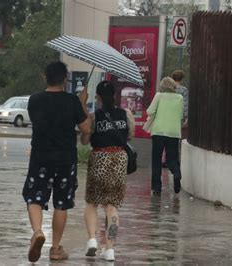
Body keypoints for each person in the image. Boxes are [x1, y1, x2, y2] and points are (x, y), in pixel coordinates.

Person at [22, 61, 91, 262]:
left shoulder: (34, 100)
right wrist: (82, 103)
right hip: (65, 159)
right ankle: (55, 248)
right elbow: (86, 129)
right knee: (61, 203)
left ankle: (37, 232)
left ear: (45, 77)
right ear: (65, 79)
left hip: (40, 157)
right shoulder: (72, 102)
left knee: (34, 197)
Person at [79, 81, 135, 261]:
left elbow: (84, 140)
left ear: (98, 98)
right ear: (115, 96)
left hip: (99, 159)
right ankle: (110, 249)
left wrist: (83, 108)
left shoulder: (94, 117)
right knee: (112, 207)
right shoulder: (126, 115)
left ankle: (93, 240)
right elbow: (130, 135)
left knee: (92, 203)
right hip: (119, 159)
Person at [146, 77, 183, 196]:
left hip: (158, 132)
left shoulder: (159, 96)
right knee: (172, 159)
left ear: (162, 86)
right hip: (173, 133)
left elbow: (149, 111)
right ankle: (176, 173)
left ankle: (157, 189)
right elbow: (181, 115)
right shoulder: (180, 98)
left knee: (156, 160)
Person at [172, 70, 189, 138]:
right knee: (177, 135)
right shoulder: (183, 90)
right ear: (182, 79)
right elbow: (185, 104)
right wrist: (186, 117)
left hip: (168, 114)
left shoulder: (169, 89)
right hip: (179, 115)